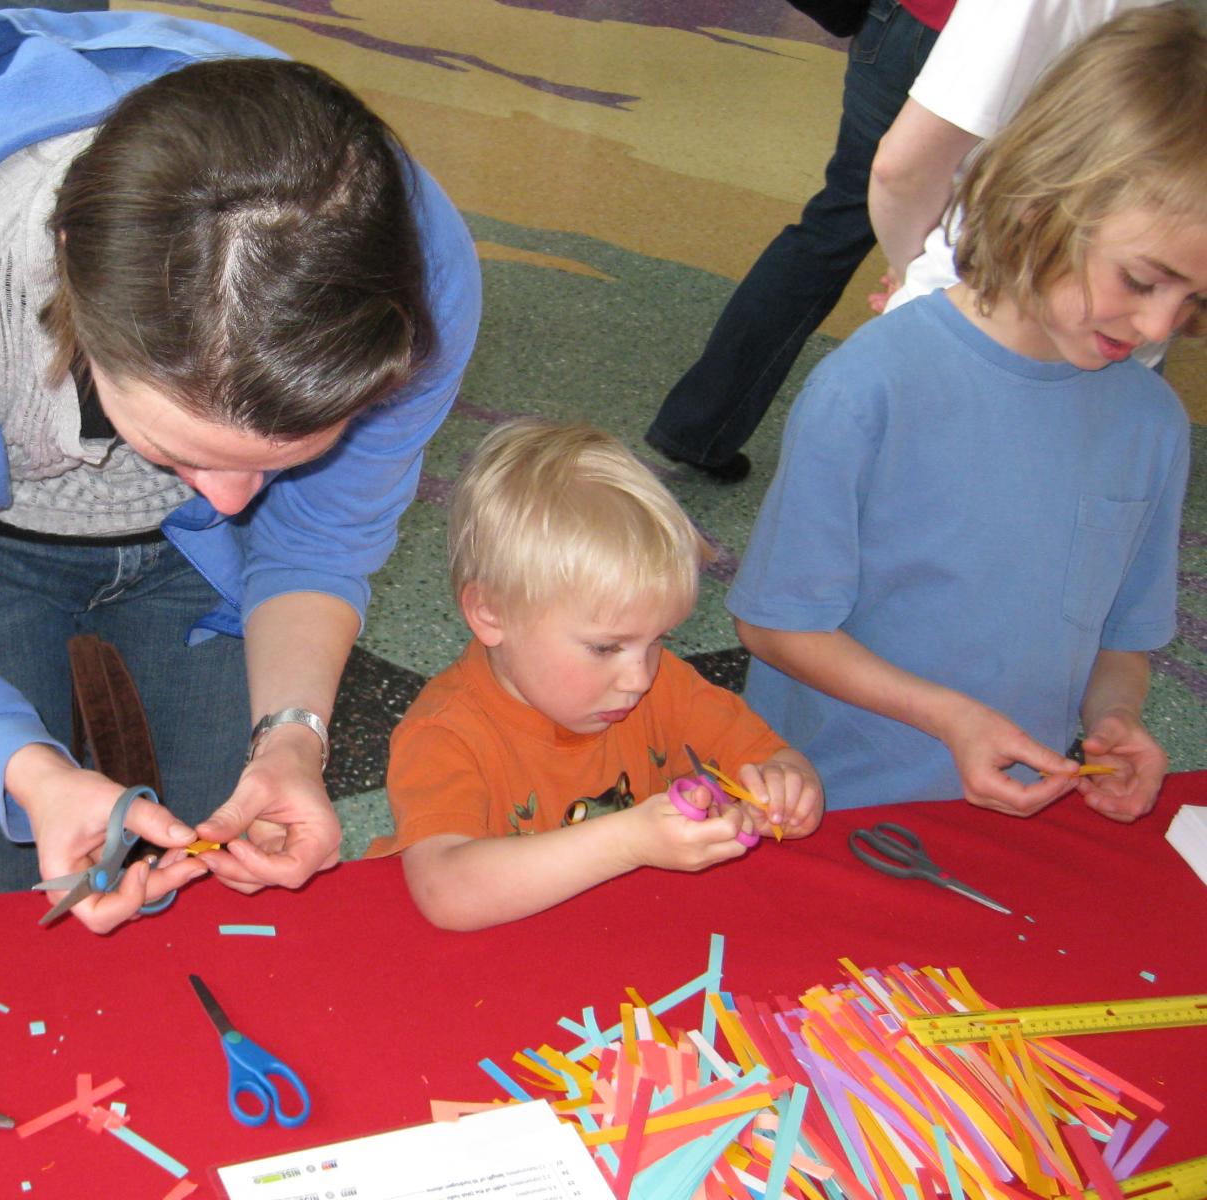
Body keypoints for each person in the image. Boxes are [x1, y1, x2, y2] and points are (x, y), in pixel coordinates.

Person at [0, 8, 482, 933]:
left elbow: (315, 542)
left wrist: (292, 738)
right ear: (70, 283)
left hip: (187, 581)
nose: (234, 503)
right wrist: (31, 775)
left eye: (288, 456)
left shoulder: (410, 285)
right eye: (184, 450)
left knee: (211, 888)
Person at [731, 3, 1205, 819]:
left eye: (1196, 303)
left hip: (1009, 821)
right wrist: (948, 718)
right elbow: (776, 628)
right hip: (827, 810)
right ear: (1036, 204)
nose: (1161, 328)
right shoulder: (872, 388)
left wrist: (1113, 719)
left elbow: (1123, 640)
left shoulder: (1153, 425)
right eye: (1141, 280)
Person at [365, 422, 823, 931]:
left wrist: (789, 787)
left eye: (658, 640)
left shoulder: (662, 684)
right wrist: (629, 841)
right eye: (606, 647)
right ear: (490, 613)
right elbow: (447, 893)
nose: (638, 678)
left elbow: (774, 758)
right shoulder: (445, 733)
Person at [644, 0, 951, 482]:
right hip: (982, 46)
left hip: (898, 23)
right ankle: (922, 475)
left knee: (830, 228)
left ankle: (698, 425)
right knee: (969, 252)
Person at [869, 0, 1163, 335]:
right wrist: (915, 267)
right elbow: (903, 169)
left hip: (978, 301)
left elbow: (902, 170)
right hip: (978, 305)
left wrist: (912, 267)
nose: (1160, 325)